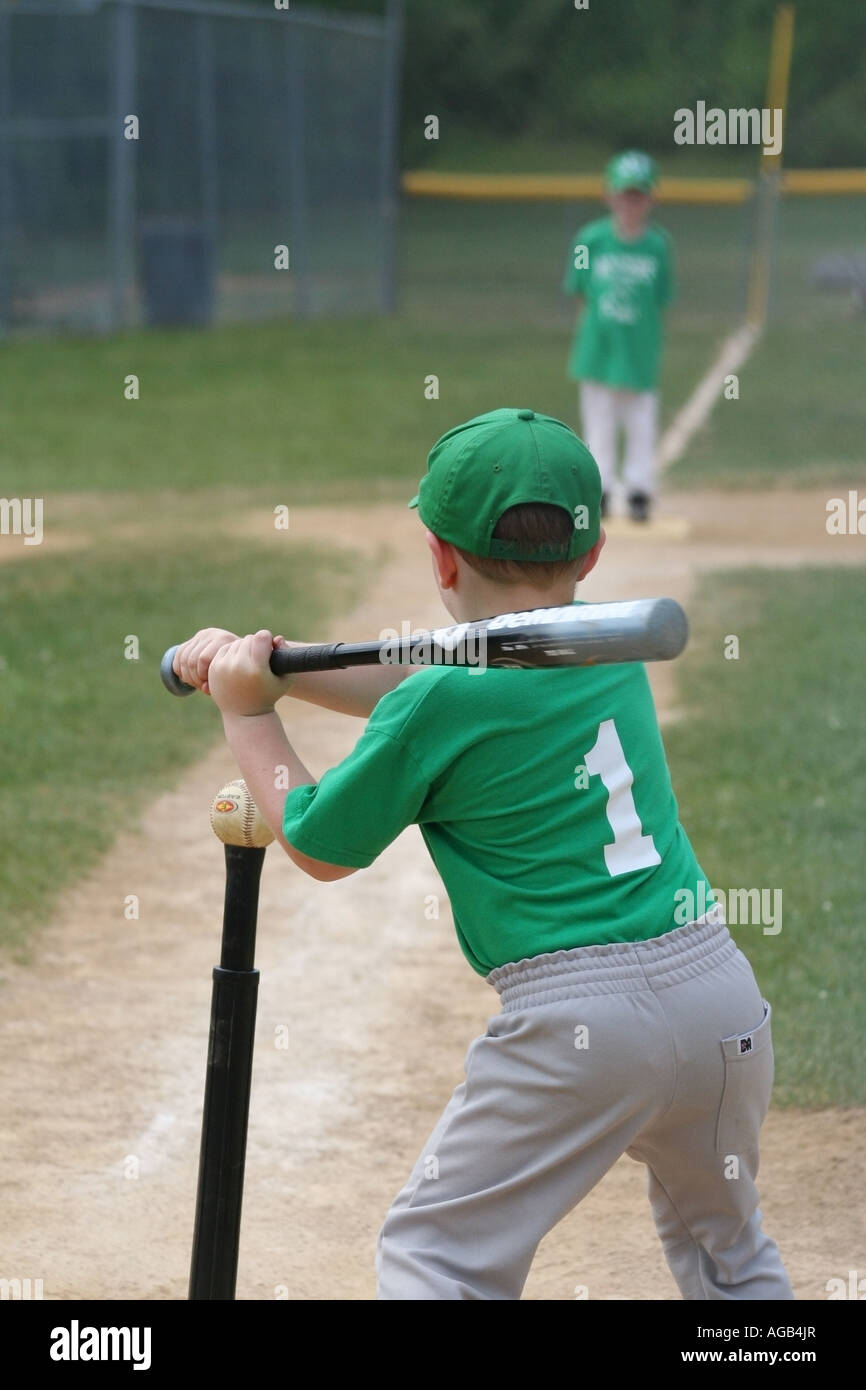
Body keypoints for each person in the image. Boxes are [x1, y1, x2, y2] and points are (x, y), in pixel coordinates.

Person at [172, 407, 793, 1301]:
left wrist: (248, 713)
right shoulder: (610, 645)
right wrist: (271, 666)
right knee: (728, 1253)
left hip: (583, 1028)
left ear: (439, 557)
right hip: (719, 998)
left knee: (437, 1255)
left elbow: (316, 841)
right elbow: (425, 688)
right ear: (591, 554)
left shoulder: (436, 707)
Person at [563, 150, 674, 522]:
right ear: (608, 195)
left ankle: (640, 491)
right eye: (624, 194)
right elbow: (578, 287)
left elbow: (661, 298)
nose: (631, 203)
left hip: (639, 348)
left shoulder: (659, 246)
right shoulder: (587, 240)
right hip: (598, 348)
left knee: (641, 422)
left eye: (639, 195)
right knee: (599, 422)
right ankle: (602, 490)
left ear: (651, 199)